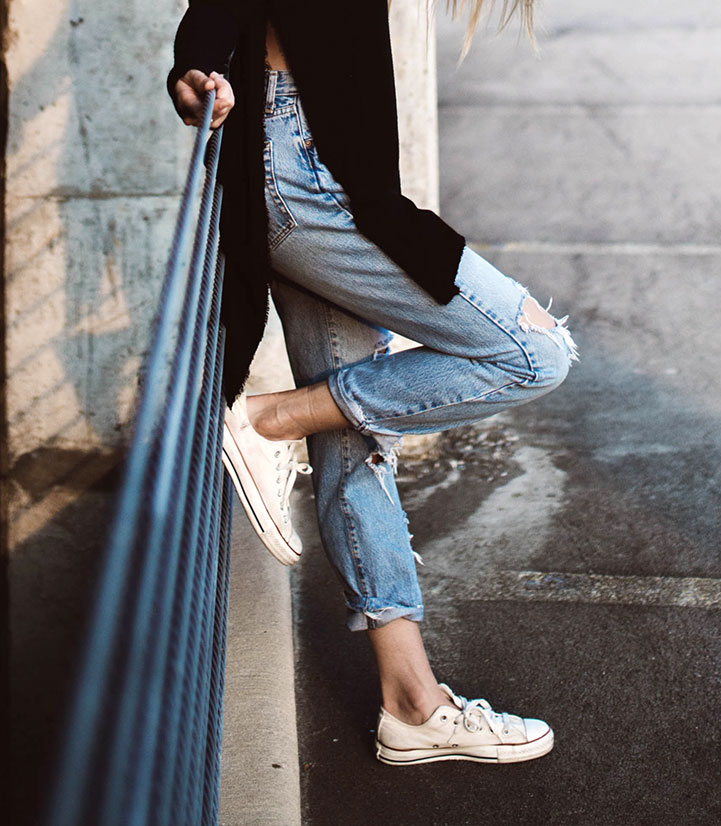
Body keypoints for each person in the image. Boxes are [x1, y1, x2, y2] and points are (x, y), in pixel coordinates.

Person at [167, 0, 575, 765]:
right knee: (534, 352)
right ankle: (268, 421)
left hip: (308, 158)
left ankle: (411, 702)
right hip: (302, 172)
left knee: (349, 425)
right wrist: (194, 69)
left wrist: (196, 65)